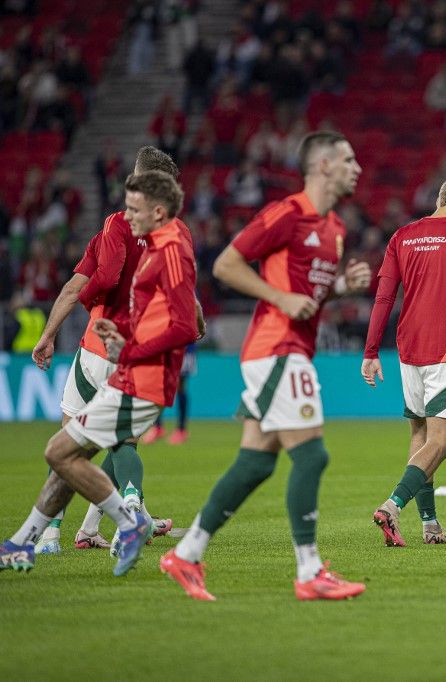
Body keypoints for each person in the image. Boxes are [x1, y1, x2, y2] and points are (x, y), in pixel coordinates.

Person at [161, 131, 371, 601]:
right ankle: (310, 571)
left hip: (289, 348)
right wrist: (278, 297)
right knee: (312, 455)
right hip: (276, 348)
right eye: (349, 159)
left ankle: (186, 554)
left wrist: (338, 290)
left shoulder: (335, 228)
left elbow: (307, 297)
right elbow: (227, 264)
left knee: (255, 463)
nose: (357, 168)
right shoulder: (287, 214)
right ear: (322, 166)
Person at [1, 170, 198, 576]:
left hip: (142, 376)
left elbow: (186, 326)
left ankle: (129, 520)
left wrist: (130, 343)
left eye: (132, 207)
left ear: (156, 208)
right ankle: (25, 543)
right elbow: (189, 314)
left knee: (87, 448)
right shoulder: (161, 247)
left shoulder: (171, 250)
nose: (125, 215)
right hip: (126, 366)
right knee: (68, 453)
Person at [362, 176, 446, 547]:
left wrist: (371, 351)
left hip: (408, 348)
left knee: (420, 435)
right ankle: (392, 505)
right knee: (443, 442)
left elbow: (383, 298)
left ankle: (429, 524)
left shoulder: (402, 236)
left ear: (439, 199)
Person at [141, 342, 196, 445]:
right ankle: (157, 427)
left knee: (180, 385)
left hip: (184, 344)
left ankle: (181, 429)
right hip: (166, 342)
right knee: (158, 384)